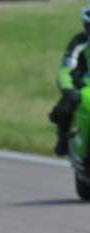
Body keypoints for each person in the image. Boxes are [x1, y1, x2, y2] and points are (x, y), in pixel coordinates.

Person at [49, 5, 90, 156]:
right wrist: (68, 89)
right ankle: (63, 139)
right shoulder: (79, 42)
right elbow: (65, 70)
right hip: (85, 86)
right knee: (66, 106)